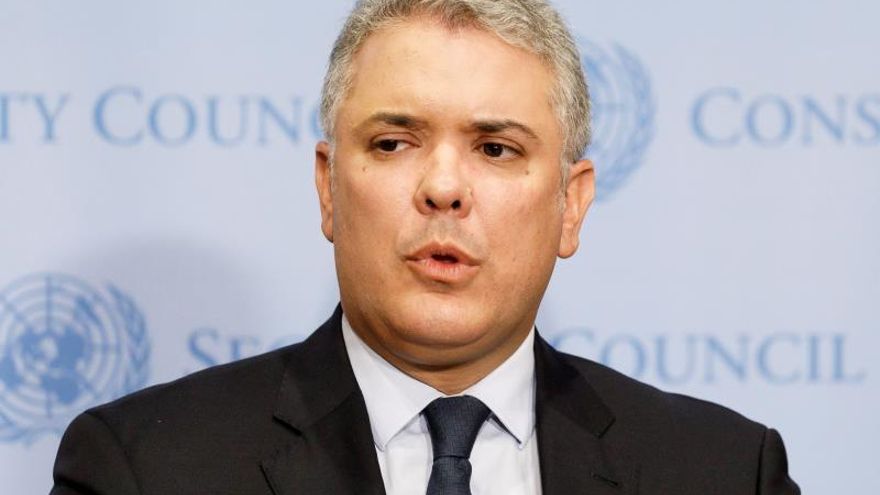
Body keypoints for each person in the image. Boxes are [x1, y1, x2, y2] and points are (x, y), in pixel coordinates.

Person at [51, 1, 800, 494]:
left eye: (497, 149)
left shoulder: (724, 471)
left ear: (570, 206)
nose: (443, 187)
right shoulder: (144, 470)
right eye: (393, 141)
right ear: (328, 188)